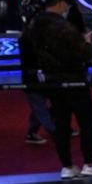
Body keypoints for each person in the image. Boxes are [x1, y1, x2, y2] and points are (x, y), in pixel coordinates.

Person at [25, 0, 92, 179]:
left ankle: (67, 166)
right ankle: (89, 163)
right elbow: (87, 54)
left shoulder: (34, 26)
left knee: (61, 125)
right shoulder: (64, 27)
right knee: (86, 123)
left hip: (52, 81)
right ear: (62, 3)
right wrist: (87, 42)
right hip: (74, 80)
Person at [19, 16, 56, 145]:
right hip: (34, 77)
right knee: (40, 106)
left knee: (39, 106)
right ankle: (53, 131)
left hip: (37, 77)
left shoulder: (30, 39)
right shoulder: (30, 40)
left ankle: (33, 131)